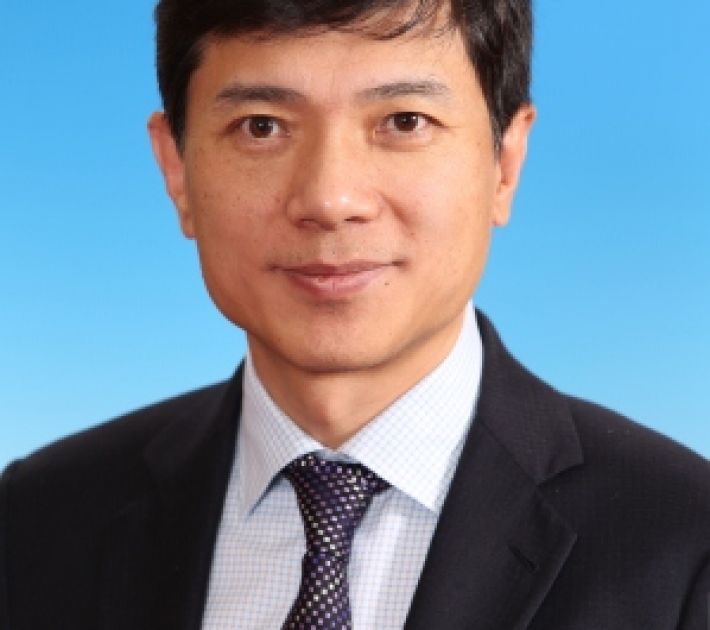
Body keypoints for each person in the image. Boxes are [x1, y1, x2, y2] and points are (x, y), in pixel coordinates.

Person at [1, 0, 708, 628]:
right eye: (261, 127)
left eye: (404, 121)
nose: (329, 198)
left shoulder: (684, 546)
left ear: (506, 161)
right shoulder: (35, 521)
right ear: (176, 169)